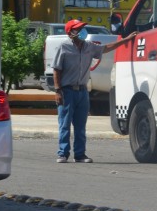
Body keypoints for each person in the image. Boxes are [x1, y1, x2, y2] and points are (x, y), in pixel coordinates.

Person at [52, 19, 137, 163]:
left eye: (82, 28)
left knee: (80, 125)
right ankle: (63, 153)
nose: (81, 31)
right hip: (67, 91)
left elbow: (106, 48)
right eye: (78, 29)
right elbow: (56, 69)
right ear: (70, 32)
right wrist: (58, 90)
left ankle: (80, 154)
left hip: (82, 91)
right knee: (65, 124)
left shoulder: (88, 47)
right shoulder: (64, 47)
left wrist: (126, 40)